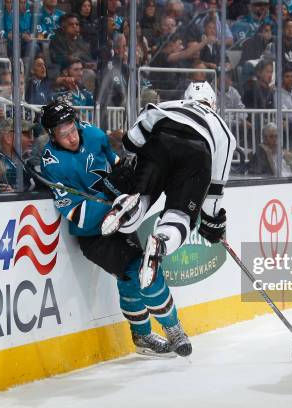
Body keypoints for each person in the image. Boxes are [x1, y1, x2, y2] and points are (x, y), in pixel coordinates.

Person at [39, 99, 191, 357]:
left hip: (120, 220)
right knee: (139, 270)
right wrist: (114, 204)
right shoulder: (52, 163)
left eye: (72, 129)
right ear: (52, 136)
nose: (72, 137)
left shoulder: (95, 135)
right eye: (63, 135)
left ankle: (143, 335)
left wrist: (128, 181)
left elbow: (117, 166)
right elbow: (75, 213)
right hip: (94, 236)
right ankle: (172, 328)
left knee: (133, 276)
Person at [100, 81, 236, 300]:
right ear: (213, 103)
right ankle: (160, 243)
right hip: (197, 154)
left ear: (187, 97)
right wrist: (212, 221)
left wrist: (138, 154)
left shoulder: (168, 106)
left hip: (160, 142)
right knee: (178, 216)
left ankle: (129, 205)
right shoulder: (223, 130)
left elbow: (131, 141)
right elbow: (215, 187)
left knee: (142, 197)